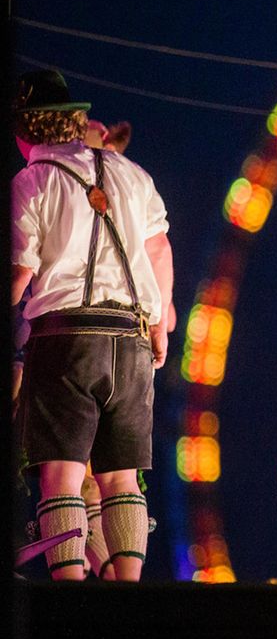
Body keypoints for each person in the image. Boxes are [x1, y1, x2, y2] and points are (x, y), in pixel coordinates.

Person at [11, 70, 173, 581]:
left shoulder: (33, 179)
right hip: (131, 339)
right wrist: (160, 322)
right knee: (122, 478)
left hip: (65, 339)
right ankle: (125, 590)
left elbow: (19, 271)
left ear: (26, 132)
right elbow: (159, 249)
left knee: (62, 477)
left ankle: (71, 592)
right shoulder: (131, 173)